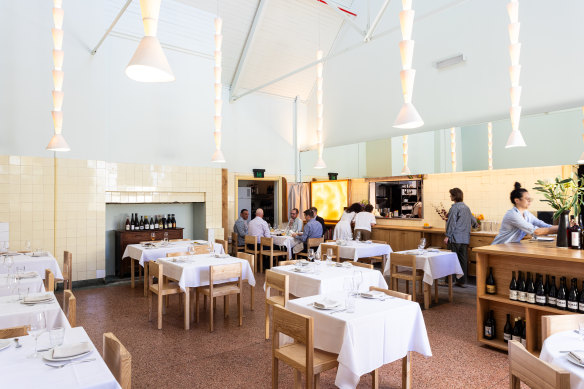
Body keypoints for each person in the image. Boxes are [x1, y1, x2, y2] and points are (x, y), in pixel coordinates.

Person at [492, 182, 558, 245]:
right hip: (499, 246)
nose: (529, 201)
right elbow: (535, 231)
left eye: (530, 199)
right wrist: (561, 229)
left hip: (510, 246)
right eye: (527, 199)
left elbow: (544, 225)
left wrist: (562, 227)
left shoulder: (527, 214)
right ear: (517, 200)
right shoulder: (512, 214)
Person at [444, 188, 477, 287]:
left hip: (455, 238)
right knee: (463, 260)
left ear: (454, 196)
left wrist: (447, 236)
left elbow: (451, 223)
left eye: (451, 195)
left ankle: (449, 281)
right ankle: (461, 281)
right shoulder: (466, 207)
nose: (450, 197)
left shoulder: (454, 208)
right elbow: (473, 220)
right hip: (465, 239)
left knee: (450, 259)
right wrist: (475, 226)